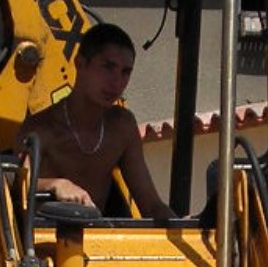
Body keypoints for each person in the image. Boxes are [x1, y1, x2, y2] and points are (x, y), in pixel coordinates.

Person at [18, 23, 173, 221]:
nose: (117, 82)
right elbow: (16, 186)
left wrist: (187, 231)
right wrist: (55, 184)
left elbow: (151, 205)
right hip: (43, 243)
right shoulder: (38, 130)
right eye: (108, 67)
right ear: (80, 64)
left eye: (125, 72)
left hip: (100, 243)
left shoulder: (122, 127)